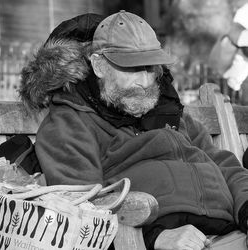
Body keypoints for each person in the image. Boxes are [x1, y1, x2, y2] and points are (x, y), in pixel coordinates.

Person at [19, 11, 248, 250]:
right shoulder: (71, 121)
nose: (145, 81)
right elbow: (82, 208)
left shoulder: (170, 111)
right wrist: (154, 237)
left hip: (230, 231)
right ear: (98, 65)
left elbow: (227, 167)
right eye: (132, 68)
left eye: (150, 68)